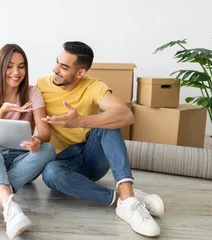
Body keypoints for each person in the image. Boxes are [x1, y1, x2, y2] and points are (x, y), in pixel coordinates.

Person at [36, 41, 165, 237]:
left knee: (108, 123)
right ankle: (123, 199)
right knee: (50, 173)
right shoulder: (40, 85)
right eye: (57, 62)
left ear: (80, 73)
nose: (55, 70)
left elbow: (126, 115)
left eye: (64, 67)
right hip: (63, 163)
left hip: (92, 157)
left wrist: (81, 121)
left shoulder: (94, 86)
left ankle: (127, 195)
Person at [0, 43, 56, 240]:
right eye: (10, 66)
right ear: (1, 67)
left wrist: (36, 141)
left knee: (48, 150)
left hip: (22, 159)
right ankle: (10, 208)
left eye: (21, 66)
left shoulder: (32, 93)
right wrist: (3, 112)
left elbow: (45, 132)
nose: (16, 72)